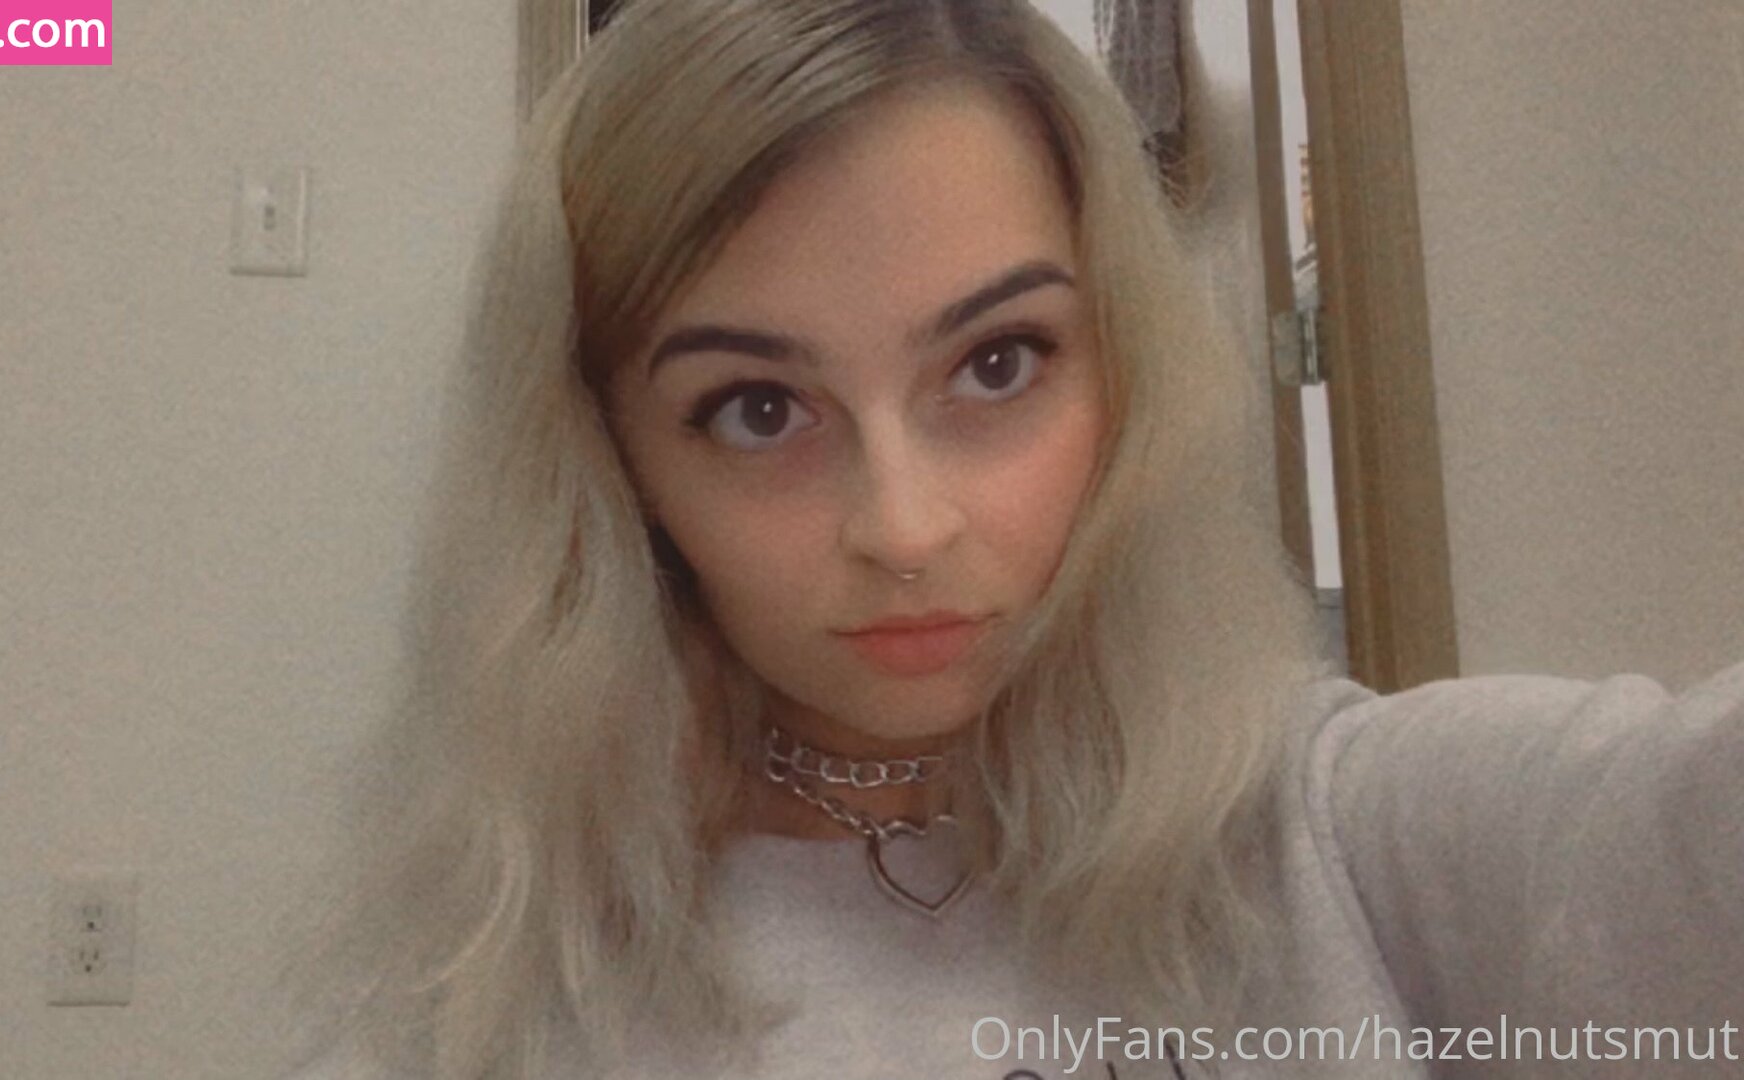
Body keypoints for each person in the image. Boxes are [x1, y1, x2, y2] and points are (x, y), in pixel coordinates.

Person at [275, 0, 1744, 1076]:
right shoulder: (504, 999)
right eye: (758, 409)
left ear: (1122, 366)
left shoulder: (1335, 840)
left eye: (995, 365)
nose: (905, 526)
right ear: (613, 460)